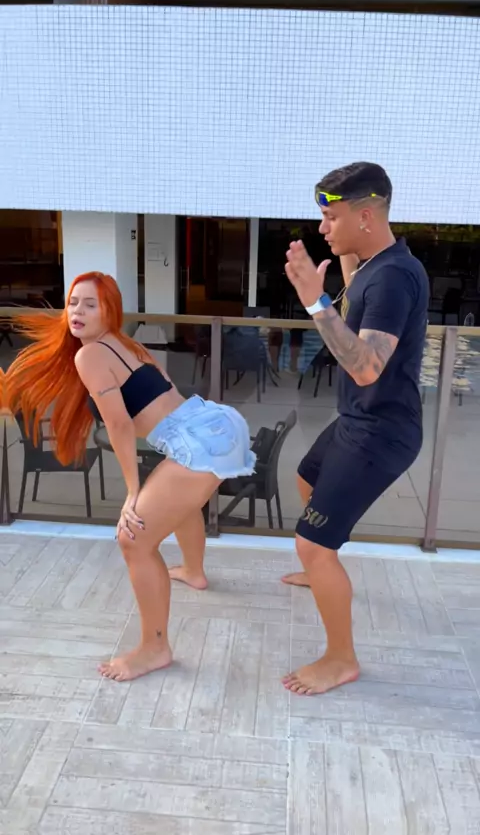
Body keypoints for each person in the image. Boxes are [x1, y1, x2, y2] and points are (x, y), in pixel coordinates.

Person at [6, 271, 255, 682]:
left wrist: (131, 492)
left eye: (91, 304)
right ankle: (193, 571)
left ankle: (155, 649)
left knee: (133, 537)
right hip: (212, 422)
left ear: (110, 311)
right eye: (73, 302)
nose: (78, 312)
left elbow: (119, 424)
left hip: (194, 438)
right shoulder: (125, 343)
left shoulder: (90, 355)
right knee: (176, 501)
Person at [280, 162, 429, 696]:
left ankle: (341, 658)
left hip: (381, 432)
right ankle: (322, 565)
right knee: (306, 478)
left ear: (366, 217)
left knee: (311, 543)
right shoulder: (374, 263)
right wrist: (342, 261)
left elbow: (366, 367)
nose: (322, 228)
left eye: (332, 218)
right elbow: (356, 303)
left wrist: (313, 301)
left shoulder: (393, 278)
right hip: (357, 420)